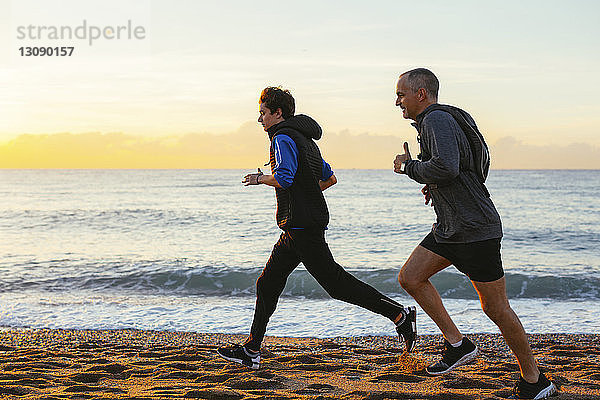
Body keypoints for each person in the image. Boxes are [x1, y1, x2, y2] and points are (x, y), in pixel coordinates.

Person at [217, 86, 416, 370]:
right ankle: (252, 348)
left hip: (301, 225)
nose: (260, 120)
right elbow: (329, 178)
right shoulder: (305, 140)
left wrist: (259, 179)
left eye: (263, 113)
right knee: (268, 283)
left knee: (335, 284)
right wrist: (306, 193)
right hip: (298, 226)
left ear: (278, 113)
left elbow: (285, 178)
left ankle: (399, 315)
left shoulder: (282, 137)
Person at [393, 68, 556, 399]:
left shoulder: (435, 120)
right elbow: (461, 169)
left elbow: (448, 167)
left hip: (475, 230)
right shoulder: (441, 120)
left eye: (401, 94)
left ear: (420, 94)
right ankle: (458, 344)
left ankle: (535, 380)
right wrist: (434, 186)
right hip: (450, 229)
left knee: (496, 309)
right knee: (410, 277)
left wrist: (409, 167)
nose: (397, 101)